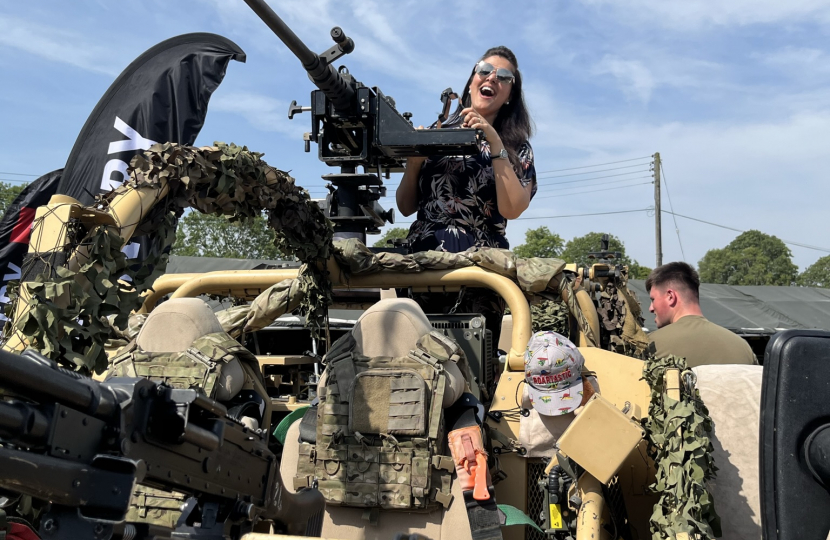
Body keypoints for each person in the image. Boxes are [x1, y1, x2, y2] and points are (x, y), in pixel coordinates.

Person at [395, 46, 536, 357]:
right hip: (423, 267)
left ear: (511, 94)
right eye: (484, 70)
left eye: (504, 76)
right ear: (472, 81)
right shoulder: (436, 132)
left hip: (480, 273)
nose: (492, 78)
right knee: (413, 360)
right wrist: (415, 161)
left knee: (473, 365)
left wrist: (494, 140)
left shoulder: (515, 146)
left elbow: (512, 207)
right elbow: (405, 206)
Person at [646, 262, 756, 367]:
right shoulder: (743, 348)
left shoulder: (651, 345)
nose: (650, 308)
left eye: (653, 299)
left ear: (670, 296)